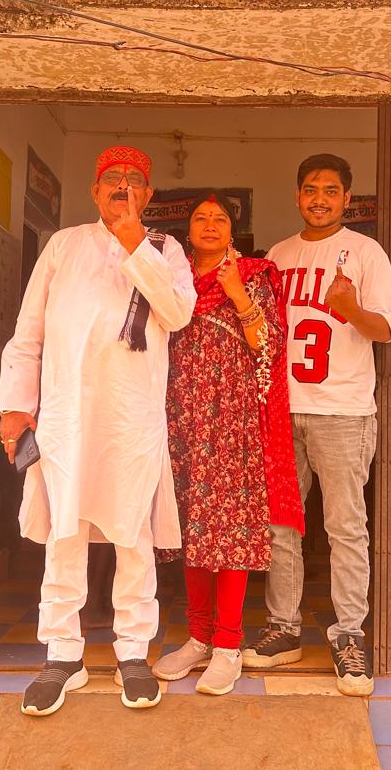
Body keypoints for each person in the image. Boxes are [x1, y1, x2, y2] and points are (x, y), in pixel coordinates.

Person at [0, 145, 196, 716]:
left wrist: (135, 242)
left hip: (132, 417)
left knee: (133, 536)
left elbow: (177, 313)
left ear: (148, 194)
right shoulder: (64, 245)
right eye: (112, 178)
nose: (122, 186)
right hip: (68, 415)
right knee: (65, 535)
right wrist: (15, 405)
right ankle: (63, 655)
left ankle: (132, 652)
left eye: (134, 179)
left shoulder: (165, 248)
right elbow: (28, 332)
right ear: (94, 190)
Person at [243, 153, 391, 697]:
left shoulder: (366, 252)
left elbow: (384, 330)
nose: (319, 199)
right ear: (297, 195)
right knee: (281, 526)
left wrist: (351, 308)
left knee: (345, 526)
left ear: (346, 200)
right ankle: (284, 628)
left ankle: (349, 634)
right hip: (283, 408)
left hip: (343, 409)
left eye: (331, 191)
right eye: (311, 189)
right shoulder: (278, 255)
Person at [151, 193, 304, 695]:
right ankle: (198, 637)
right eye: (201, 218)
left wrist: (237, 293)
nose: (210, 224)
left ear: (233, 231)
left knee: (231, 530)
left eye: (220, 218)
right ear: (188, 230)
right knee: (193, 526)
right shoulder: (172, 277)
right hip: (181, 416)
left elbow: (269, 345)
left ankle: (228, 645)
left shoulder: (254, 275)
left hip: (232, 418)